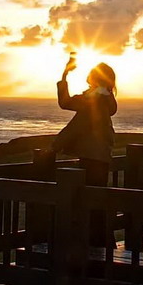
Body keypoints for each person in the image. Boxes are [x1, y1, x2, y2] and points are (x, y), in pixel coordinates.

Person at [51, 53, 117, 245]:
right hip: (100, 156)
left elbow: (76, 123)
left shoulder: (95, 99)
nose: (88, 74)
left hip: (91, 156)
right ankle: (101, 243)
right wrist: (64, 76)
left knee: (89, 201)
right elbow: (68, 104)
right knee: (96, 200)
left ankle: (96, 245)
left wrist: (55, 146)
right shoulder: (102, 96)